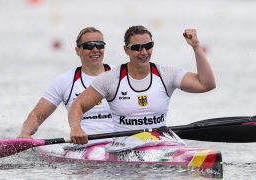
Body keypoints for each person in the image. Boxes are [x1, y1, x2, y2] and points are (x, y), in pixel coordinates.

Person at [68, 25, 216, 145]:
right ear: (126, 49)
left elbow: (206, 84)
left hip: (160, 142)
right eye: (137, 47)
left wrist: (196, 46)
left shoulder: (167, 74)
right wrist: (76, 128)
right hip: (124, 147)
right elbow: (77, 105)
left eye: (148, 46)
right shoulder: (111, 79)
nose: (144, 52)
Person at [18, 27, 115, 139]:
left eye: (100, 45)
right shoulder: (65, 81)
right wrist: (25, 133)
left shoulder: (120, 75)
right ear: (78, 50)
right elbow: (36, 115)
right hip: (84, 145)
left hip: (118, 143)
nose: (95, 50)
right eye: (89, 45)